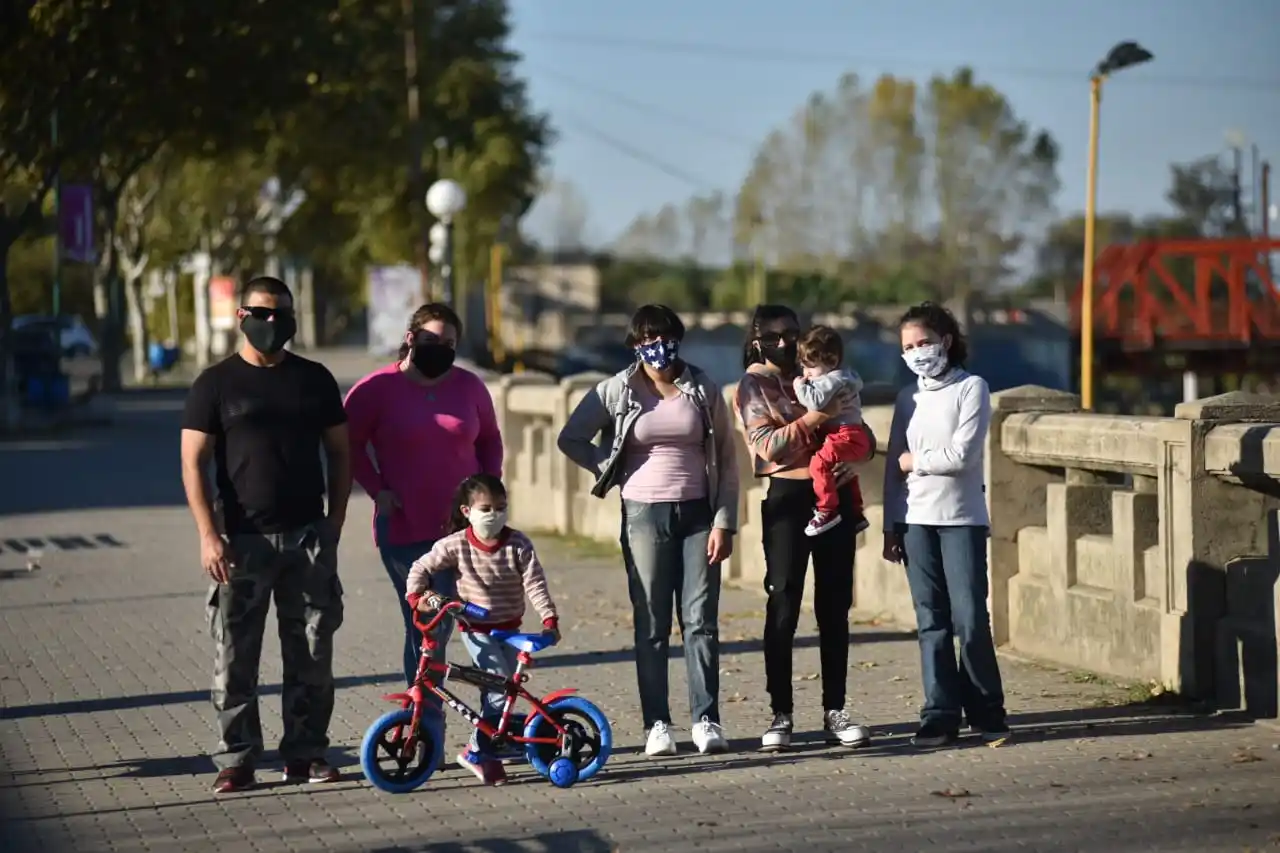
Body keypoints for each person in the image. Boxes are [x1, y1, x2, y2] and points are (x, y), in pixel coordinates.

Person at [179, 276, 352, 794]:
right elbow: (193, 463)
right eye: (263, 313)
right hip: (240, 543)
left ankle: (306, 752)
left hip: (307, 540)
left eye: (283, 315)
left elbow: (341, 452)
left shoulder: (315, 379)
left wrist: (335, 522)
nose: (273, 324)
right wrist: (209, 534)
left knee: (313, 654)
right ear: (241, 315)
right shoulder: (214, 384)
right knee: (234, 657)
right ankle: (236, 759)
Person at [557, 304, 739, 758]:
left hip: (699, 513)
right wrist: (610, 469)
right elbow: (572, 436)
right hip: (643, 514)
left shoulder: (702, 387)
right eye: (645, 341)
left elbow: (729, 459)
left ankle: (706, 719)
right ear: (635, 346)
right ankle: (657, 723)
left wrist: (725, 521)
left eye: (663, 338)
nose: (656, 348)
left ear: (678, 338)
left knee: (700, 621)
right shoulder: (618, 389)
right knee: (653, 624)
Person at [343, 303, 502, 735]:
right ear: (411, 338)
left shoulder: (469, 387)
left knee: (485, 623)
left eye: (449, 344)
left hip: (467, 533)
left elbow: (490, 442)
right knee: (428, 629)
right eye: (431, 341)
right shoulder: (376, 389)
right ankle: (426, 728)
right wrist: (379, 490)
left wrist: (489, 496)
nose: (440, 350)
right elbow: (349, 447)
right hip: (407, 531)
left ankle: (496, 723)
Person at [733, 304, 872, 752]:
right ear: (757, 339)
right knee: (784, 604)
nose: (786, 343)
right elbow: (769, 447)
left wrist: (853, 458)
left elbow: (859, 431)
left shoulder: (823, 371)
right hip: (787, 501)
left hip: (832, 499)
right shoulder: (753, 386)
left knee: (834, 608)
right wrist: (816, 416)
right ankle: (781, 713)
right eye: (775, 335)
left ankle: (836, 709)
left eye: (792, 333)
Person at [881, 301, 1010, 748]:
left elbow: (962, 457)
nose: (918, 353)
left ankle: (987, 708)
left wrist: (914, 461)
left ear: (946, 342)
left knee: (971, 617)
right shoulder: (906, 398)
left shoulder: (972, 388)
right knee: (930, 621)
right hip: (914, 521)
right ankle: (939, 712)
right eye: (908, 347)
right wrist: (889, 525)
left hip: (961, 519)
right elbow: (891, 468)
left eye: (924, 343)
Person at [405, 474, 559, 786]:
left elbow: (535, 583)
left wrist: (549, 618)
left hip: (510, 629)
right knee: (498, 690)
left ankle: (480, 749)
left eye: (501, 508)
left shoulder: (518, 544)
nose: (494, 515)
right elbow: (421, 567)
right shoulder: (456, 544)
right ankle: (485, 755)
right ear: (467, 511)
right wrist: (417, 595)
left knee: (505, 690)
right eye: (486, 508)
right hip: (476, 630)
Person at [792, 325, 874, 537]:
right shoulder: (843, 376)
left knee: (818, 464)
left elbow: (815, 402)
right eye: (803, 367)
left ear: (831, 361)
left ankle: (826, 510)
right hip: (850, 434)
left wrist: (799, 386)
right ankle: (856, 513)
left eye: (811, 367)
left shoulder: (833, 380)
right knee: (846, 475)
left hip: (846, 434)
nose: (806, 374)